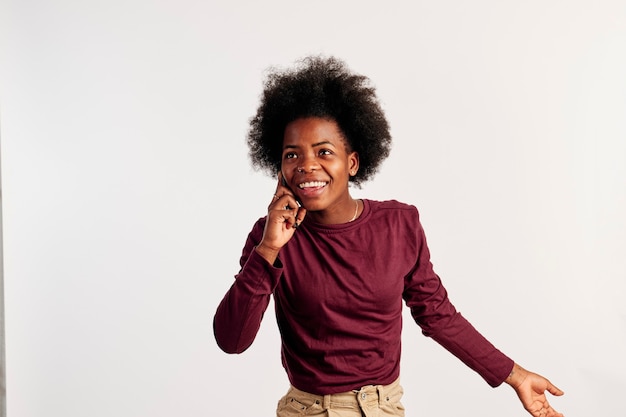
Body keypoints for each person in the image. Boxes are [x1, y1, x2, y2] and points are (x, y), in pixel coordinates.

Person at [214, 56, 564, 417]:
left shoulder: (399, 224)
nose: (307, 165)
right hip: (309, 410)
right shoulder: (270, 238)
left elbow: (438, 315)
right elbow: (232, 340)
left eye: (324, 152)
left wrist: (515, 375)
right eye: (292, 155)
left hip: (385, 408)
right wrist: (269, 249)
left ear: (352, 162)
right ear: (281, 168)